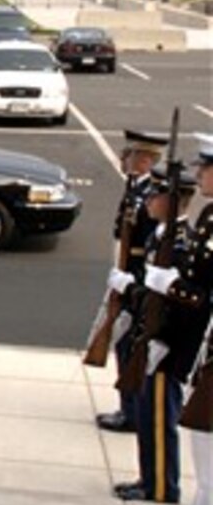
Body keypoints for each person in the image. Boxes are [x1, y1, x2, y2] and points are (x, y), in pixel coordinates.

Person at [110, 166, 207, 504]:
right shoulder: (161, 233)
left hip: (167, 344)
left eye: (156, 195)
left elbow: (186, 302)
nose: (148, 201)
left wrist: (161, 336)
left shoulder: (180, 242)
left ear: (172, 200)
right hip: (152, 337)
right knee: (147, 412)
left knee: (159, 416)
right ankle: (148, 479)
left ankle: (162, 486)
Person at [154, 133, 213, 505]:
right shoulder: (209, 216)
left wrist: (172, 286)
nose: (199, 175)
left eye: (205, 169)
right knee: (202, 435)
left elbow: (205, 289)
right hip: (201, 342)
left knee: (207, 432)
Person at [96, 129, 166, 433]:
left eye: (131, 155)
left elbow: (151, 246)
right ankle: (128, 407)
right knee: (123, 343)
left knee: (129, 345)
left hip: (137, 278)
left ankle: (132, 412)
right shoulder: (135, 188)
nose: (124, 159)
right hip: (126, 273)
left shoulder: (152, 194)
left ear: (146, 160)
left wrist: (131, 281)